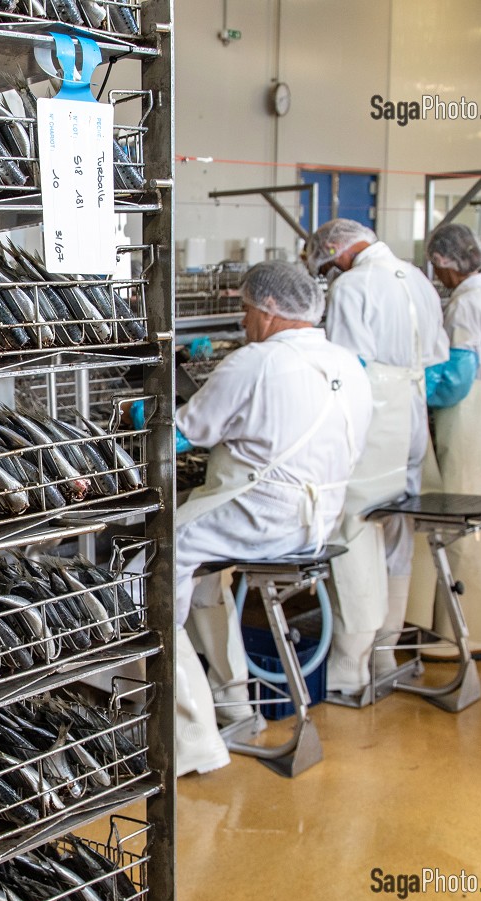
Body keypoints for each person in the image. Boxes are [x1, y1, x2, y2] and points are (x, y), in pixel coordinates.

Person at [172, 261, 371, 775]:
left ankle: (191, 734)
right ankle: (233, 700)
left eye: (245, 310)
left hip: (262, 517)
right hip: (318, 521)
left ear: (270, 309)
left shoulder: (255, 363)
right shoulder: (349, 364)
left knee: (155, 556)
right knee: (204, 575)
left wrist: (140, 420)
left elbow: (187, 432)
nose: (243, 321)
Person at [307, 219, 449, 694]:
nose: (331, 274)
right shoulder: (418, 278)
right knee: (397, 525)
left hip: (375, 415)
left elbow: (348, 369)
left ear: (336, 252)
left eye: (329, 265)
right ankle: (388, 651)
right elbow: (436, 356)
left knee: (357, 525)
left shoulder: (352, 286)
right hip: (412, 411)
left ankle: (351, 664)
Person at [420, 223, 481, 658]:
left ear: (443, 263)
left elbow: (457, 381)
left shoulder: (464, 307)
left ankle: (457, 634)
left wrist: (413, 388)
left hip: (470, 425)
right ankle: (477, 625)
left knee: (461, 530)